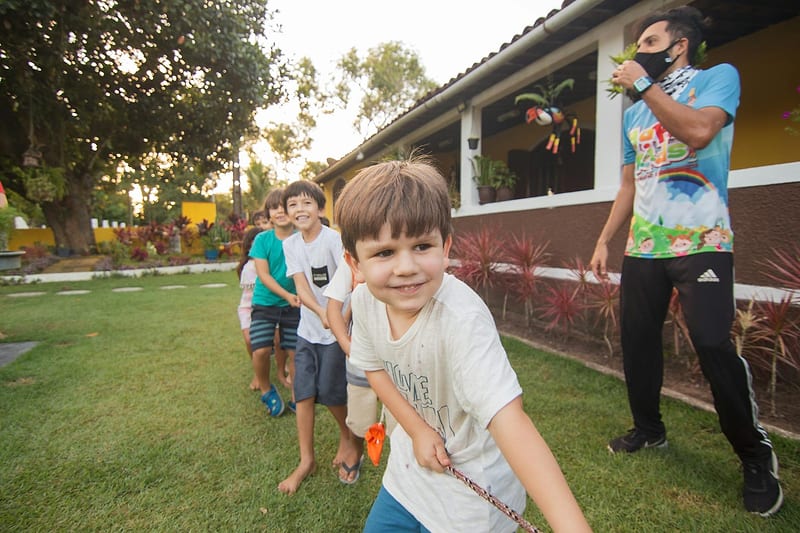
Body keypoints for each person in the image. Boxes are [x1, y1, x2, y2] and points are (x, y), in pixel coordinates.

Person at [589, 6, 782, 517]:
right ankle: (649, 431)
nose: (639, 53)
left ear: (679, 45)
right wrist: (606, 239)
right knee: (638, 342)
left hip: (703, 240)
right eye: (636, 47)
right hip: (644, 247)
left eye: (650, 41)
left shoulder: (718, 79)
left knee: (714, 343)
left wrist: (643, 86)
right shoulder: (633, 114)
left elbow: (699, 133)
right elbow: (629, 185)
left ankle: (754, 455)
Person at [336, 157, 591, 532]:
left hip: (471, 495)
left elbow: (511, 422)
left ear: (446, 246)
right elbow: (373, 368)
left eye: (422, 245)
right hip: (408, 478)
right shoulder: (363, 302)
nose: (406, 266)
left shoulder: (462, 320)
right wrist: (417, 430)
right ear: (354, 263)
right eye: (385, 252)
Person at [278, 180, 357, 495]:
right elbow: (301, 287)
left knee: (331, 391)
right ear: (286, 213)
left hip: (338, 329)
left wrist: (339, 320)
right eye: (293, 205)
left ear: (320, 208)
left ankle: (348, 437)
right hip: (308, 332)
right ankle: (306, 461)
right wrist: (321, 313)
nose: (300, 209)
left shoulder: (333, 240)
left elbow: (351, 281)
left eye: (306, 203)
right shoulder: (291, 245)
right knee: (304, 393)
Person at [325, 257, 395, 484]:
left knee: (400, 417)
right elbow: (333, 308)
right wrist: (348, 346)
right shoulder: (353, 260)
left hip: (399, 355)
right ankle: (355, 450)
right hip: (362, 354)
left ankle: (402, 466)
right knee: (358, 413)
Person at [250, 188, 300, 417]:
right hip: (266, 303)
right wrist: (286, 295)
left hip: (295, 304)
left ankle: (296, 396)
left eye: (284, 206)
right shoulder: (262, 240)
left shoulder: (301, 238)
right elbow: (264, 275)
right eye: (274, 207)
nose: (279, 211)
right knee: (260, 350)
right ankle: (266, 389)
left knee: (295, 352)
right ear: (268, 214)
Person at [236, 226, 265, 391]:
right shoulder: (248, 266)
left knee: (276, 341)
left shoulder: (270, 262)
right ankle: (257, 371)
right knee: (249, 339)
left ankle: (283, 366)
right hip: (248, 308)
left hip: (267, 305)